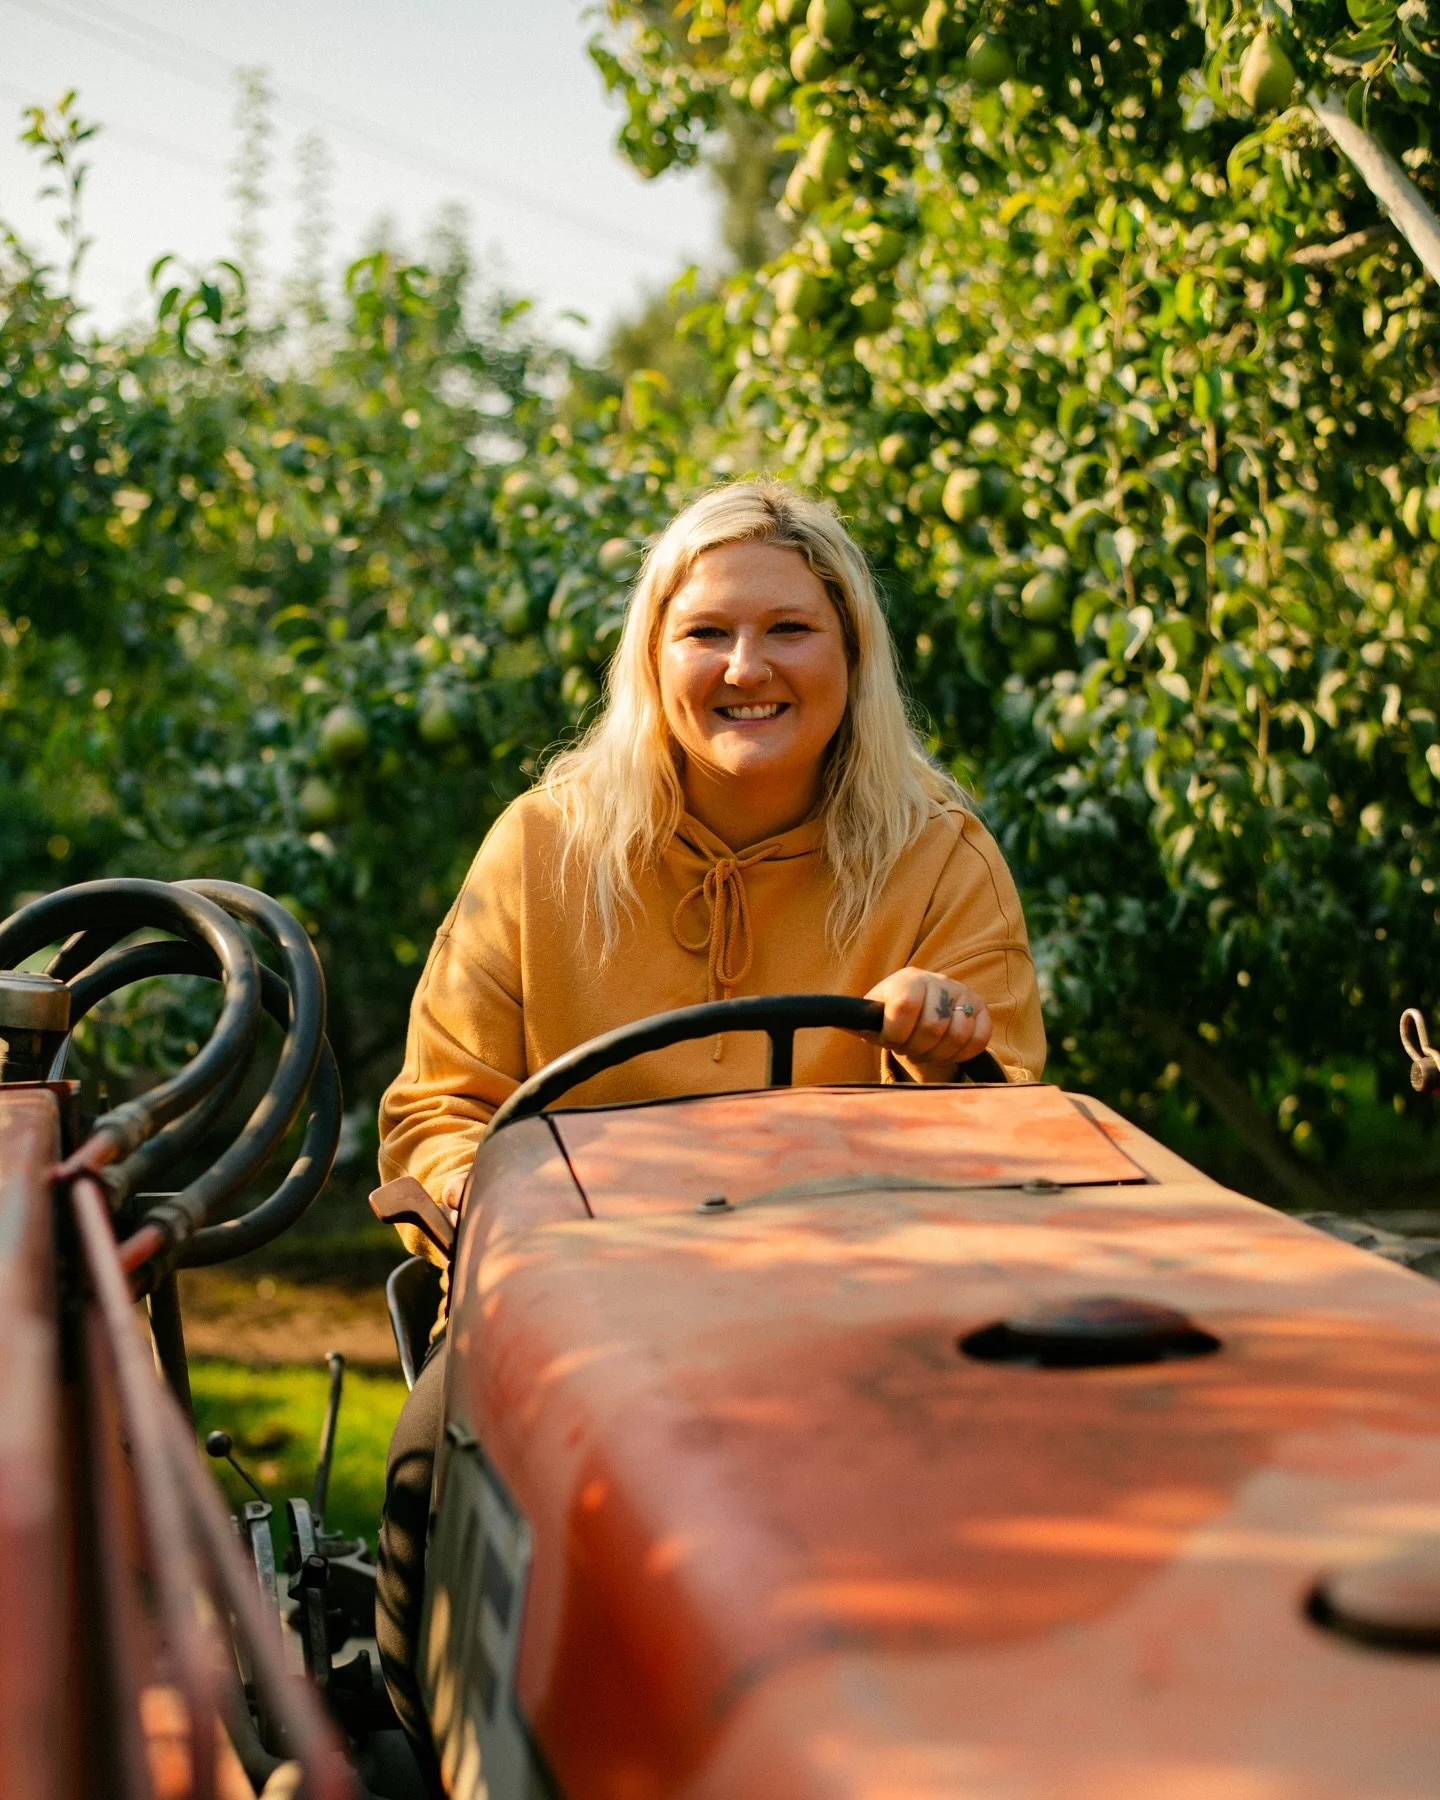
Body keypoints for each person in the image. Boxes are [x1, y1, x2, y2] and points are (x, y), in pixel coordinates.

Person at [373, 479, 1046, 1775]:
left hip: (859, 1312)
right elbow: (440, 1107)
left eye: (792, 630)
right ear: (656, 654)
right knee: (431, 1456)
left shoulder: (936, 858)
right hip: (583, 1318)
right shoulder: (545, 850)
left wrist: (944, 1057)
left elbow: (1011, 1150)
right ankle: (448, 1742)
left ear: (851, 656)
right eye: (709, 632)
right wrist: (514, 1232)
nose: (748, 667)